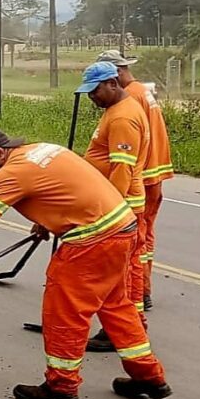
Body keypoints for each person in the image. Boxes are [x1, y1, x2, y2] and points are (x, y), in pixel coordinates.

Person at [0, 128, 171, 399]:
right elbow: (62, 187)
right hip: (122, 228)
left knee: (64, 313)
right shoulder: (42, 148)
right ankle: (148, 376)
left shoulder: (11, 174)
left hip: (92, 241)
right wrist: (48, 219)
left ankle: (61, 387)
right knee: (116, 305)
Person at [77, 61, 151, 352]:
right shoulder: (116, 110)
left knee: (123, 271)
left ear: (112, 83)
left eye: (94, 91)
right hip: (120, 202)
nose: (91, 98)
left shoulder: (123, 117)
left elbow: (122, 168)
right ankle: (126, 326)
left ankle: (125, 329)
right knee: (123, 269)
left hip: (123, 204)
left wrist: (111, 209)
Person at [96, 49, 173, 311]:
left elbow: (126, 150)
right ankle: (142, 291)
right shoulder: (142, 91)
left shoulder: (132, 99)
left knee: (137, 240)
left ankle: (140, 292)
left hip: (141, 173)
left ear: (114, 76)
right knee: (145, 236)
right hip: (152, 169)